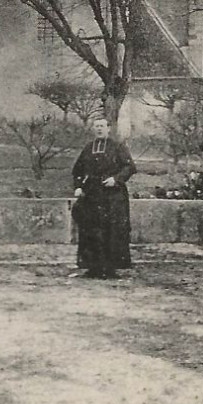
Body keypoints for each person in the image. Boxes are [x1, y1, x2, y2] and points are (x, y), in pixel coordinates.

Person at [72, 115, 136, 280]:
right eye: (96, 126)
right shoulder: (88, 148)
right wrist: (78, 187)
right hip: (92, 196)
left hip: (113, 196)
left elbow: (129, 166)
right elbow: (77, 170)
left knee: (111, 231)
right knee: (91, 231)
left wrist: (116, 179)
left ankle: (110, 268)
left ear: (108, 128)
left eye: (102, 126)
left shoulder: (118, 147)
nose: (99, 129)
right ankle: (92, 267)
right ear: (93, 129)